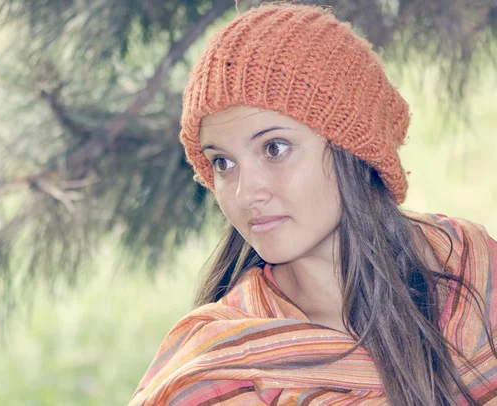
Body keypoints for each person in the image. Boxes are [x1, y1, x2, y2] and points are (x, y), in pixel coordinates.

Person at [129, 3, 497, 405]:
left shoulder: (471, 264)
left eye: (274, 148)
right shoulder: (229, 372)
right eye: (223, 162)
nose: (244, 194)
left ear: (354, 146)